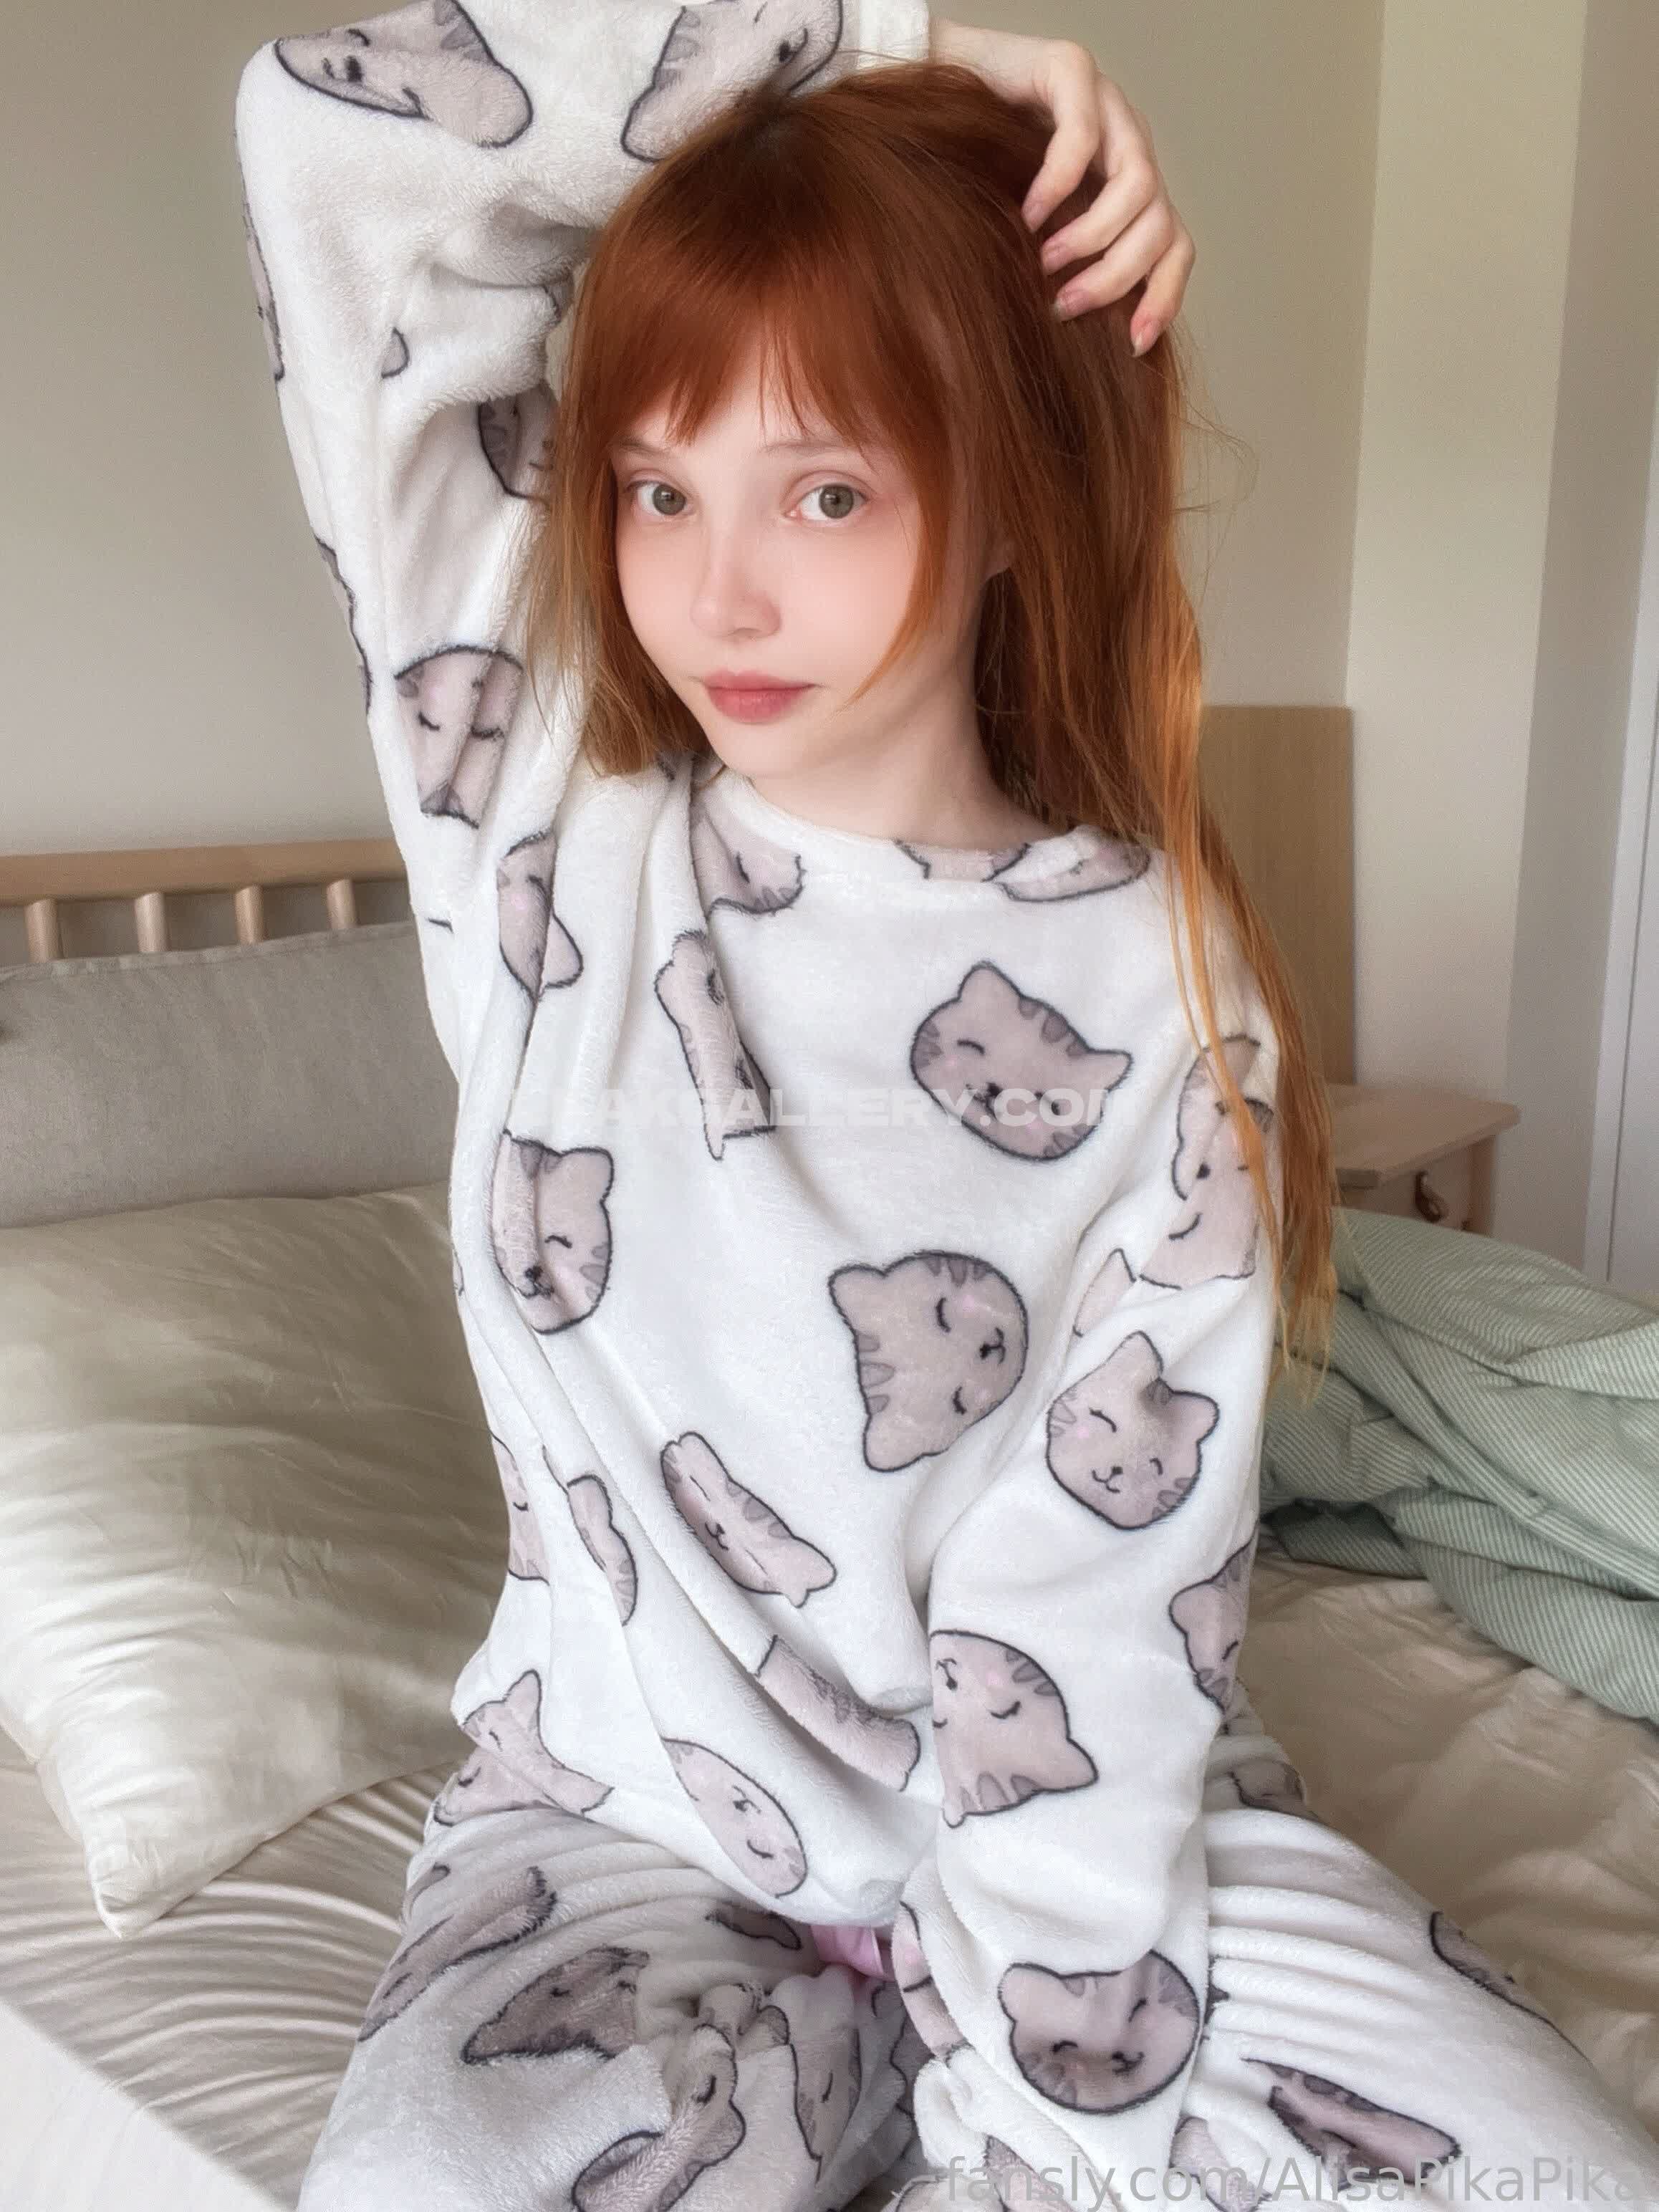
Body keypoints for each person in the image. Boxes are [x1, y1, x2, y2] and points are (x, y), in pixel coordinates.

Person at [234, 4, 1659, 2206]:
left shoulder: (1162, 982)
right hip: (623, 1823)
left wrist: (1052, 2088)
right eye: (656, 487)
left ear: (1005, 495)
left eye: (824, 490)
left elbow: (1096, 1577)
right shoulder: (532, 814)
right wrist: (896, 43)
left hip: (1087, 1802)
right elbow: (328, 136)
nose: (716, 590)